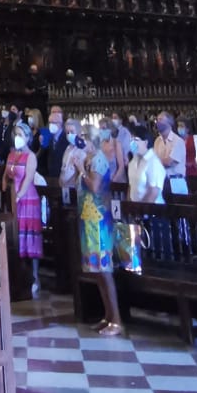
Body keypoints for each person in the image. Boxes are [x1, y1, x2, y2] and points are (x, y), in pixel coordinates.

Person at [77, 127, 122, 336]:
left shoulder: (99, 160)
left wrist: (81, 170)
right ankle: (107, 315)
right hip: (88, 218)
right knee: (96, 271)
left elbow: (94, 187)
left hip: (99, 220)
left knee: (104, 270)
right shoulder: (89, 158)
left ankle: (117, 319)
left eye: (84, 138)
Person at [2, 119, 42, 295]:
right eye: (15, 135)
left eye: (20, 135)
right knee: (15, 237)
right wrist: (5, 191)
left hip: (26, 200)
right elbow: (6, 174)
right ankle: (17, 276)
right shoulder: (11, 154)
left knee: (29, 237)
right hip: (12, 198)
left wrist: (17, 196)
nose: (17, 138)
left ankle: (34, 277)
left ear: (27, 137)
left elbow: (27, 179)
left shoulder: (31, 156)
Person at [127, 124, 164, 203]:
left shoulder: (153, 162)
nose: (132, 143)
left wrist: (141, 211)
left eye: (135, 140)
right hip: (135, 210)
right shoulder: (133, 160)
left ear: (145, 142)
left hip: (152, 211)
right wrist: (129, 207)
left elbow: (153, 192)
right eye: (131, 140)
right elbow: (131, 187)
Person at [153, 110, 187, 195]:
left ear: (169, 122)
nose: (158, 122)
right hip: (161, 181)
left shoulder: (177, 141)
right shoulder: (157, 141)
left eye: (160, 119)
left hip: (176, 181)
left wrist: (156, 162)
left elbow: (169, 162)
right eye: (157, 120)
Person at [60, 117, 87, 190]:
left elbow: (80, 172)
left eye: (72, 132)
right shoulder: (68, 148)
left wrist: (68, 185)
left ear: (78, 132)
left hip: (75, 189)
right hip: (64, 187)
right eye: (67, 132)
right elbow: (63, 168)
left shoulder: (83, 149)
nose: (69, 135)